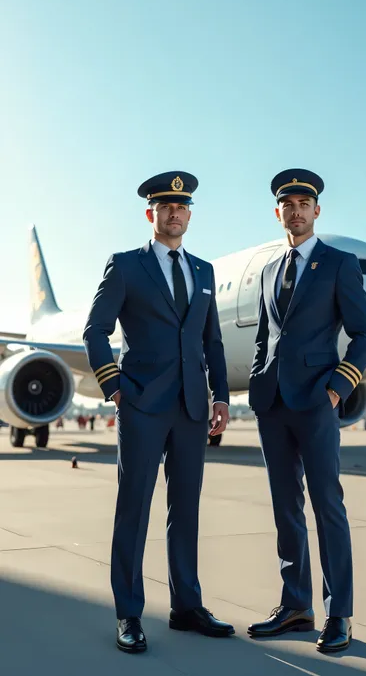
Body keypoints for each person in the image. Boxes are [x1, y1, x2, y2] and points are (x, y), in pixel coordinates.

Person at [83, 171, 233, 653]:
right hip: (143, 405)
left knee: (184, 511)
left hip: (191, 408)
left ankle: (186, 605)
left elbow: (211, 339)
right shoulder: (126, 266)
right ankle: (129, 613)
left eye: (182, 207)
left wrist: (222, 396)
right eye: (165, 207)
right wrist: (115, 387)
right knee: (134, 510)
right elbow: (95, 331)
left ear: (190, 214)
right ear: (151, 214)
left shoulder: (204, 272)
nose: (174, 214)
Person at [247, 169, 366, 653]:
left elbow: (364, 335)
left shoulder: (340, 264)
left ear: (316, 211)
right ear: (278, 211)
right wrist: (259, 380)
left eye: (305, 203)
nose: (297, 210)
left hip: (317, 402)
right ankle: (296, 605)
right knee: (286, 509)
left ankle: (339, 612)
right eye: (289, 203)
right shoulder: (267, 270)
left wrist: (338, 387)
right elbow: (265, 335)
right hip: (272, 404)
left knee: (327, 506)